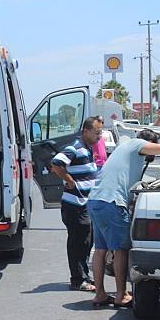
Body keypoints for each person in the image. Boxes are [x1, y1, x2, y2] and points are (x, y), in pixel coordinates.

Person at [87, 129, 160, 308]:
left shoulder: (124, 151)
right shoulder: (135, 144)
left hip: (96, 200)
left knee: (100, 249)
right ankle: (121, 295)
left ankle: (100, 294)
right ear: (148, 144)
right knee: (121, 249)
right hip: (112, 203)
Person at [51, 116, 103, 291]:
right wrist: (69, 181)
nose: (99, 136)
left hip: (84, 204)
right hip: (75, 205)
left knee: (87, 242)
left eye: (100, 132)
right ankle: (78, 279)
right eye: (96, 132)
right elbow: (57, 163)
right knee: (77, 243)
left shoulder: (88, 149)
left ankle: (85, 276)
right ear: (86, 131)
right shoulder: (75, 148)